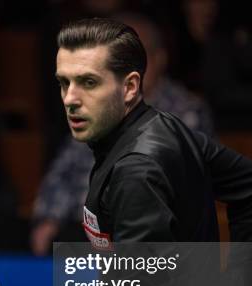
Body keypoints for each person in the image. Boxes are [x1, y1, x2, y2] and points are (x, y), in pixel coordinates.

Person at [0, 18, 252, 286]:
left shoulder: (137, 171)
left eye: (88, 82)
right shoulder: (164, 129)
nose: (70, 98)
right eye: (64, 82)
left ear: (129, 86)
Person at [31, 13, 215, 256]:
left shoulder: (186, 112)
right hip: (81, 227)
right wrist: (48, 219)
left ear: (160, 59)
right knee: (1, 232)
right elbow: (63, 171)